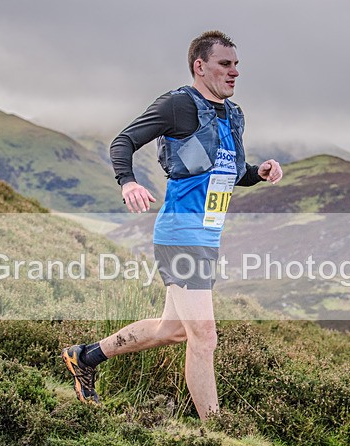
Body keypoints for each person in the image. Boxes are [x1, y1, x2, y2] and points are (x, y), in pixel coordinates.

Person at [62, 30, 283, 421]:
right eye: (224, 65)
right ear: (200, 66)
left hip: (207, 237)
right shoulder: (178, 105)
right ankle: (215, 432)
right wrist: (128, 181)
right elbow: (123, 141)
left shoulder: (234, 115)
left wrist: (258, 173)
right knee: (204, 337)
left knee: (173, 330)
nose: (234, 73)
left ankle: (85, 357)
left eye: (236, 66)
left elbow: (229, 173)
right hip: (180, 235)